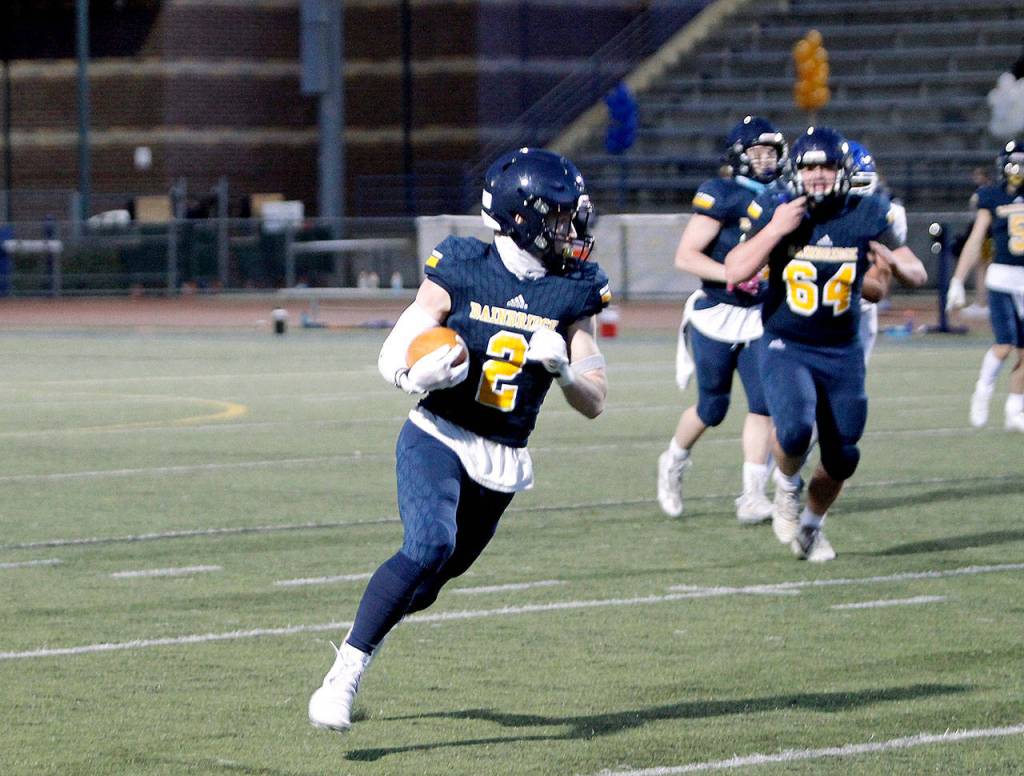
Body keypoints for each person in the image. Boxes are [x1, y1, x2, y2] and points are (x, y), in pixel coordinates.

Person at [307, 148, 611, 732]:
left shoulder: (574, 290)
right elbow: (394, 351)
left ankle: (374, 626)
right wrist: (413, 375)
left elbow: (595, 401)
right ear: (522, 218)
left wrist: (567, 373)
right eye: (560, 218)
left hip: (503, 458)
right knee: (429, 544)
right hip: (437, 434)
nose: (572, 230)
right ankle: (341, 677)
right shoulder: (463, 266)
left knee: (427, 584)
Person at [724, 126, 926, 561]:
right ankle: (786, 487)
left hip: (842, 350)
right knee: (795, 430)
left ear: (842, 170)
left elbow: (909, 275)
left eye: (827, 166)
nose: (817, 175)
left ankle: (812, 527)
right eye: (809, 167)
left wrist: (895, 264)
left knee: (844, 455)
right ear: (796, 172)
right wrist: (775, 230)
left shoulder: (868, 211)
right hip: (787, 342)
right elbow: (735, 270)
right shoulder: (778, 207)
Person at [657, 116, 786, 524]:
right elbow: (686, 257)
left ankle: (753, 495)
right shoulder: (723, 194)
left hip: (761, 315)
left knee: (763, 405)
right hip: (716, 313)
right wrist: (732, 274)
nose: (766, 160)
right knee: (712, 408)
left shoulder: (784, 195)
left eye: (771, 152)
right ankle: (673, 461)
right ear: (739, 156)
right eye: (758, 152)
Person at [946, 139, 1024, 432]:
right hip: (1003, 278)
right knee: (1004, 345)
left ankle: (1014, 410)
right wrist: (957, 280)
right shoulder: (992, 196)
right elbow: (975, 239)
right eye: (1014, 164)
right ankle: (983, 388)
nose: (1018, 170)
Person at [846, 140, 928, 364]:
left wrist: (894, 263)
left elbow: (917, 274)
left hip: (856, 311)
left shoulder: (879, 214)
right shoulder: (803, 214)